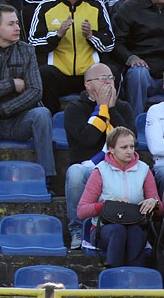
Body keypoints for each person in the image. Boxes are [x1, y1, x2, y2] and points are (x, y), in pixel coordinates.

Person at [0, 4, 55, 195]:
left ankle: (46, 179)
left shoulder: (27, 50)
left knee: (42, 113)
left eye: (17, 23)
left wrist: (1, 109)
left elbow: (35, 91)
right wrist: (10, 84)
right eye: (11, 24)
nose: (17, 27)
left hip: (20, 121)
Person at [63, 63, 135, 249]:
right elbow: (88, 138)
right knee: (75, 173)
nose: (108, 83)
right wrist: (102, 109)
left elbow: (129, 139)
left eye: (111, 78)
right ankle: (78, 229)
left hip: (118, 166)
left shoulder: (123, 107)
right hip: (88, 166)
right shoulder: (75, 108)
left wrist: (111, 109)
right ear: (88, 85)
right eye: (103, 79)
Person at [28, 0, 114, 111]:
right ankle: (52, 120)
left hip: (89, 73)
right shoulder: (46, 6)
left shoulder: (96, 4)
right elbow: (33, 43)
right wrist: (57, 35)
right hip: (59, 74)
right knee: (43, 74)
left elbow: (110, 43)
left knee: (111, 73)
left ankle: (102, 116)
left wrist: (91, 36)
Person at [77, 126, 164, 267]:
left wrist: (154, 203)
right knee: (118, 230)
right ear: (111, 149)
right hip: (104, 229)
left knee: (135, 231)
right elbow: (82, 211)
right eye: (124, 147)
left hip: (135, 225)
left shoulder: (144, 170)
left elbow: (160, 210)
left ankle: (136, 279)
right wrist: (108, 205)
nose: (130, 151)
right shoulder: (100, 171)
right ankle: (114, 279)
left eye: (132, 146)